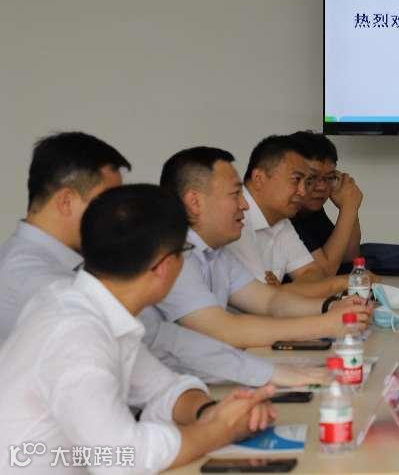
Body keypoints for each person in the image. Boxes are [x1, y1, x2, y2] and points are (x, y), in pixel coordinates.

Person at [0, 184, 277, 473]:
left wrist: (210, 411)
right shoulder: (76, 333)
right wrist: (220, 430)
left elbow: (163, 387)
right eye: (184, 252)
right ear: (165, 266)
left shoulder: (95, 308)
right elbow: (122, 458)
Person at [0, 132, 307, 387]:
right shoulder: (32, 277)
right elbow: (151, 348)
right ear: (66, 201)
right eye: (107, 202)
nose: (118, 214)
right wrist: (265, 375)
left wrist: (265, 375)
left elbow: (160, 340)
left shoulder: (77, 261)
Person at [157, 146, 370, 350]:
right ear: (195, 202)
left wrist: (330, 306)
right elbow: (226, 329)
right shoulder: (172, 256)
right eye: (235, 194)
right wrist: (326, 324)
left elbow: (270, 301)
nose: (244, 205)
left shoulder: (217, 252)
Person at [226, 135, 349, 297]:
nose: (303, 192)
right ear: (259, 179)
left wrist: (281, 291)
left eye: (306, 182)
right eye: (296, 180)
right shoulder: (234, 220)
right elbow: (261, 297)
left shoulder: (280, 220)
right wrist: (346, 282)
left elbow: (313, 274)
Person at [288, 130, 363, 276]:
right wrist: (349, 207)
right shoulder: (285, 214)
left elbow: (348, 257)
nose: (322, 187)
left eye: (329, 178)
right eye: (312, 178)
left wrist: (349, 205)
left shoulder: (311, 211)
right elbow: (323, 273)